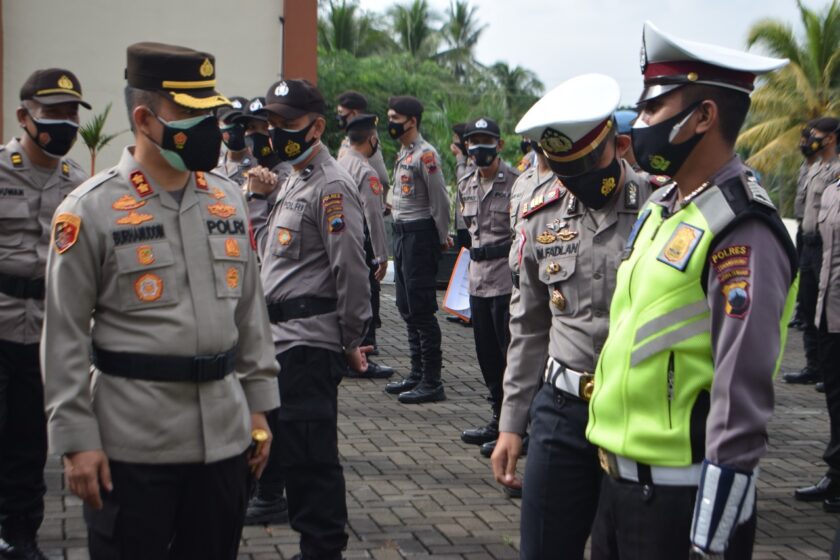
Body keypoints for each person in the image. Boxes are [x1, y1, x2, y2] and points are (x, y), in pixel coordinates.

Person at [41, 42, 280, 560]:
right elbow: (62, 336)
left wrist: (260, 409)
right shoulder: (90, 211)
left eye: (211, 112)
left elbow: (250, 316)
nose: (211, 127)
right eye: (192, 115)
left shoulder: (227, 198)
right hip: (131, 445)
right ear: (145, 117)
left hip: (223, 438)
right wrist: (77, 441)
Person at [585, 22, 798, 559]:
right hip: (619, 488)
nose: (641, 122)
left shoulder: (741, 228)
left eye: (654, 108)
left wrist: (711, 538)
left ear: (704, 117)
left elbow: (741, 396)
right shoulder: (664, 207)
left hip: (679, 503)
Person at [491, 74, 654, 558]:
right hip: (562, 414)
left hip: (637, 414)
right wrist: (510, 423)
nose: (578, 178)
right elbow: (528, 328)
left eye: (588, 163)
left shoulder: (660, 207)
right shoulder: (541, 218)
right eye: (564, 170)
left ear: (618, 144)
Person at [248, 78, 372, 560]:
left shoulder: (332, 185)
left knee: (311, 458)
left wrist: (348, 340)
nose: (275, 133)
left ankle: (322, 549)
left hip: (308, 343)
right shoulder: (292, 180)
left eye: (287, 124)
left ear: (317, 127)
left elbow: (352, 270)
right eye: (272, 123)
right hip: (277, 340)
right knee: (289, 455)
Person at [0, 68, 89, 560]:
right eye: (53, 112)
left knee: (29, 444)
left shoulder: (78, 183)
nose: (65, 123)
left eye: (71, 113)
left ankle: (22, 536)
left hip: (43, 334)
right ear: (24, 116)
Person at [456, 117, 520, 453]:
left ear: (499, 144)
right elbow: (468, 233)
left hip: (506, 281)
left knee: (511, 355)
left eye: (486, 140)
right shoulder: (466, 183)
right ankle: (497, 418)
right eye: (473, 141)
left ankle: (516, 427)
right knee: (486, 357)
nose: (479, 147)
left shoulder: (515, 182)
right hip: (478, 282)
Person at [383, 95, 452, 404]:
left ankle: (431, 380)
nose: (390, 124)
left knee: (422, 310)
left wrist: (440, 237)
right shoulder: (404, 152)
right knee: (405, 306)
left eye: (395, 118)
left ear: (412, 121)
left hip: (419, 235)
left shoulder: (426, 155)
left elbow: (440, 200)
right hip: (402, 235)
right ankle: (415, 373)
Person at [794, 119, 840, 510]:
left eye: (817, 136)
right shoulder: (826, 184)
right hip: (830, 302)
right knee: (836, 397)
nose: (810, 142)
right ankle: (835, 474)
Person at [337, 113, 394, 379]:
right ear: (372, 139)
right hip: (361, 241)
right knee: (367, 295)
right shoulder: (366, 171)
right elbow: (374, 214)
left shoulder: (339, 163)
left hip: (338, 239)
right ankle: (364, 356)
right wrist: (382, 255)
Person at [784, 118, 840, 386]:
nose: (809, 140)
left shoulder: (836, 171)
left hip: (826, 244)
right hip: (807, 242)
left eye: (815, 135)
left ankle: (830, 370)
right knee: (806, 304)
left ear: (830, 138)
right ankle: (813, 366)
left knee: (827, 307)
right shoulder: (815, 168)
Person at [787, 121, 820, 332]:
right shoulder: (805, 166)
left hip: (819, 233)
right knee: (801, 272)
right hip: (802, 226)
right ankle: (802, 312)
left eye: (808, 139)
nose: (805, 143)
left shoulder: (825, 169)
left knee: (816, 280)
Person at [335, 91, 391, 198]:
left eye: (341, 113)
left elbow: (383, 180)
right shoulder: (349, 139)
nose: (338, 117)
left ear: (354, 114)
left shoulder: (367, 140)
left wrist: (379, 204)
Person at [214, 96, 254, 186]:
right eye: (229, 122)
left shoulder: (260, 166)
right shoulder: (211, 165)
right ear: (218, 125)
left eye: (239, 121)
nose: (235, 127)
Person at [451, 122, 474, 251]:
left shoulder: (472, 160)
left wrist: (459, 158)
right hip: (462, 223)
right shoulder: (466, 159)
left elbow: (463, 182)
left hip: (468, 224)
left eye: (456, 138)